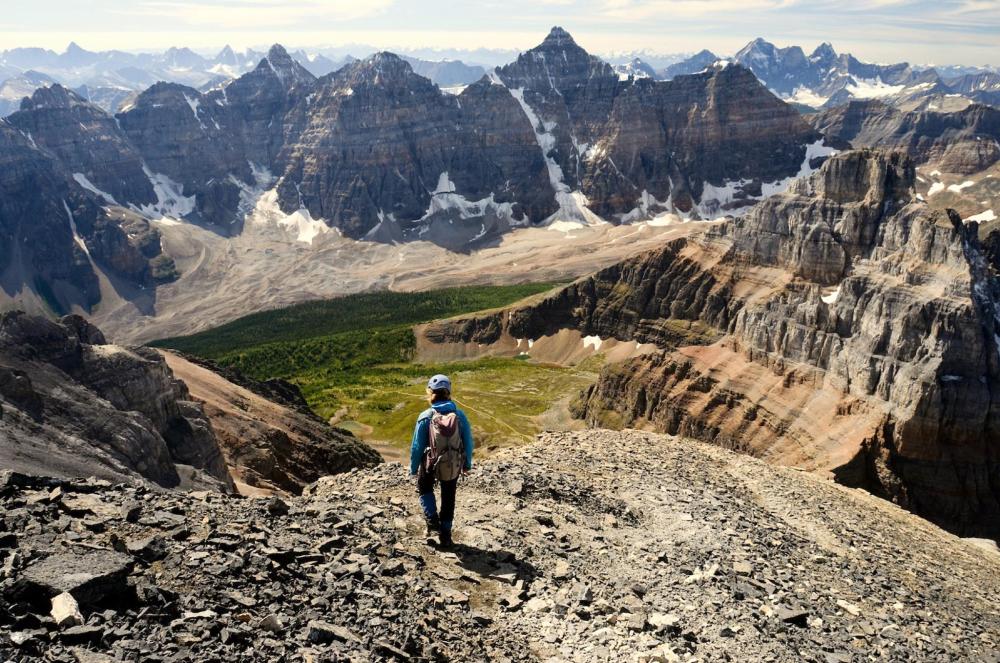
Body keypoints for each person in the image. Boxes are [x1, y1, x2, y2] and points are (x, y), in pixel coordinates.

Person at [409, 374, 474, 548]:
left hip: (430, 463)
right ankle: (446, 534)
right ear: (448, 392)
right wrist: (466, 464)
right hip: (452, 463)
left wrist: (413, 469)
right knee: (449, 495)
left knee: (424, 486)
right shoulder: (459, 415)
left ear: (431, 393)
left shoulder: (425, 416)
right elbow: (468, 442)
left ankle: (432, 521)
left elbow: (417, 447)